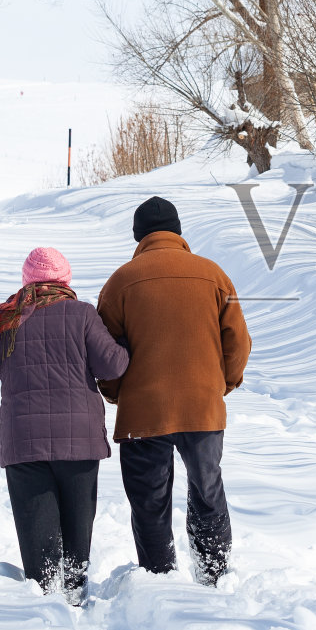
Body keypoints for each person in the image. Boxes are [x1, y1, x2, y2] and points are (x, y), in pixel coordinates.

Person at [0, 246, 128, 605]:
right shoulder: (82, 315)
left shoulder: (6, 321)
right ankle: (75, 593)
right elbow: (112, 366)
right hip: (79, 443)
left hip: (25, 445)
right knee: (78, 526)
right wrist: (125, 342)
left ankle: (45, 602)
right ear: (65, 281)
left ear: (26, 282)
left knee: (39, 541)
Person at [98, 196, 250, 586]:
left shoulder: (120, 282)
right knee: (207, 489)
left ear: (139, 236)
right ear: (178, 231)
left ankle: (159, 580)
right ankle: (214, 576)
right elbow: (238, 341)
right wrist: (222, 385)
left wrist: (115, 393)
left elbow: (105, 353)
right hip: (203, 407)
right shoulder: (213, 275)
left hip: (143, 413)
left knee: (149, 502)